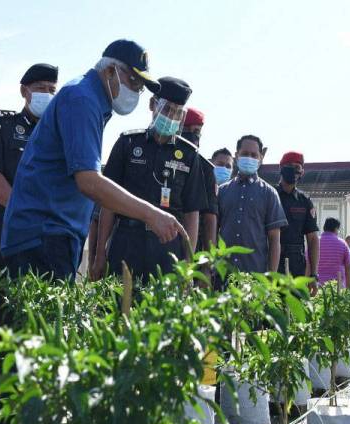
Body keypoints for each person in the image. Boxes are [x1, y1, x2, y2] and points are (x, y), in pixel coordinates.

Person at [1, 40, 185, 281]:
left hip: (53, 235)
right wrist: (151, 214)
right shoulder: (82, 99)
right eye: (133, 81)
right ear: (109, 71)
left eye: (140, 87)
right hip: (43, 235)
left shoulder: (91, 100)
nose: (135, 91)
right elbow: (88, 181)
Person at [0, 64, 59, 348]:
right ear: (25, 91)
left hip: (41, 250)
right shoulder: (2, 126)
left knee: (31, 335)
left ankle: (21, 394)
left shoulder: (58, 133)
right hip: (2, 245)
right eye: (41, 89)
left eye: (52, 90)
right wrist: (25, 212)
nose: (47, 94)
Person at [93, 77, 207, 280]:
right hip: (126, 241)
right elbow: (108, 203)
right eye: (167, 109)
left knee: (163, 309)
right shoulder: (127, 144)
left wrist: (189, 266)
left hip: (167, 247)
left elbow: (191, 213)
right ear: (153, 104)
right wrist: (100, 253)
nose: (171, 117)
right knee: (119, 304)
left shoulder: (189, 155)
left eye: (177, 112)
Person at [218, 135, 287, 273]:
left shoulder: (269, 194)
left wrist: (271, 277)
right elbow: (212, 232)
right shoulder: (222, 191)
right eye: (245, 154)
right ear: (236, 156)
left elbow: (274, 240)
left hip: (255, 277)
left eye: (254, 155)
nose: (249, 158)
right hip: (223, 274)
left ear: (261, 158)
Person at [275, 151, 319, 293]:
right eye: (290, 166)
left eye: (298, 167)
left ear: (302, 172)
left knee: (295, 308)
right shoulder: (270, 196)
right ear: (281, 168)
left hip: (297, 266)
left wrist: (313, 275)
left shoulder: (305, 201)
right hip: (272, 261)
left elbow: (312, 239)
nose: (294, 170)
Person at [180, 108, 218, 252]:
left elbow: (210, 218)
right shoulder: (163, 156)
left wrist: (209, 263)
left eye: (197, 132)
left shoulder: (206, 168)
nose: (193, 136)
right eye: (186, 130)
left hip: (193, 246)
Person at [317, 218, 350, 289]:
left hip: (318, 285)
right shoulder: (342, 244)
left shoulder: (315, 243)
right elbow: (348, 267)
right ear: (336, 229)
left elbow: (308, 264)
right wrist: (348, 287)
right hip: (337, 285)